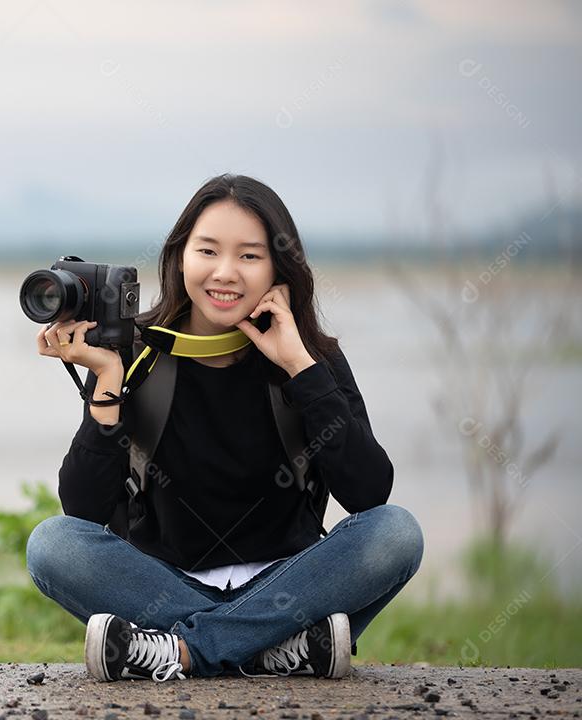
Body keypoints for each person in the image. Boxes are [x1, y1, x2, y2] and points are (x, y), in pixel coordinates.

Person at [26, 174, 423, 682]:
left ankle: (183, 651)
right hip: (161, 583)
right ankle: (273, 650)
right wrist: (106, 380)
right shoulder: (135, 351)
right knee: (52, 544)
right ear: (180, 257)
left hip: (288, 583)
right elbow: (83, 510)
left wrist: (301, 367)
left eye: (250, 256)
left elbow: (369, 493)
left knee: (397, 533)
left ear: (280, 268)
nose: (226, 273)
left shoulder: (311, 357)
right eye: (208, 251)